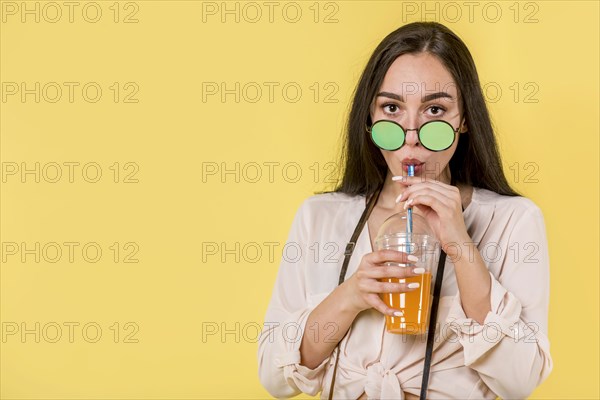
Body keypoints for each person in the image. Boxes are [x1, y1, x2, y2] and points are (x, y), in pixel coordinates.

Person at [257, 21, 552, 399]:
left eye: (434, 110)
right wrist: (351, 296)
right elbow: (273, 376)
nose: (411, 135)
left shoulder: (514, 221)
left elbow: (519, 381)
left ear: (464, 119)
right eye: (392, 107)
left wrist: (460, 246)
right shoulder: (320, 217)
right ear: (370, 118)